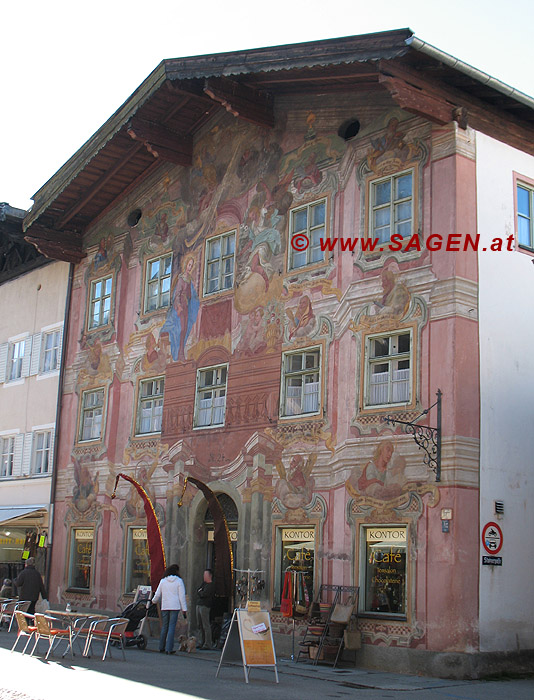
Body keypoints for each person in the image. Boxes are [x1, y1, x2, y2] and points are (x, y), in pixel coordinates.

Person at [149, 564, 187, 654]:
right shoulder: (179, 581)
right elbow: (182, 596)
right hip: (175, 606)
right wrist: (184, 608)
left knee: (164, 626)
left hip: (165, 606)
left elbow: (157, 594)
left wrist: (153, 601)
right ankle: (169, 648)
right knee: (171, 626)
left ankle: (161, 647)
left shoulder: (163, 581)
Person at [196, 569, 215, 650]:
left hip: (205, 606)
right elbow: (198, 591)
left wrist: (201, 592)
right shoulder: (203, 583)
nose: (204, 577)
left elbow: (204, 594)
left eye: (205, 575)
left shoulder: (211, 585)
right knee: (199, 625)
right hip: (199, 604)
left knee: (205, 625)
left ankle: (208, 643)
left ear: (210, 576)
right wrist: (201, 592)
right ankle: (201, 642)